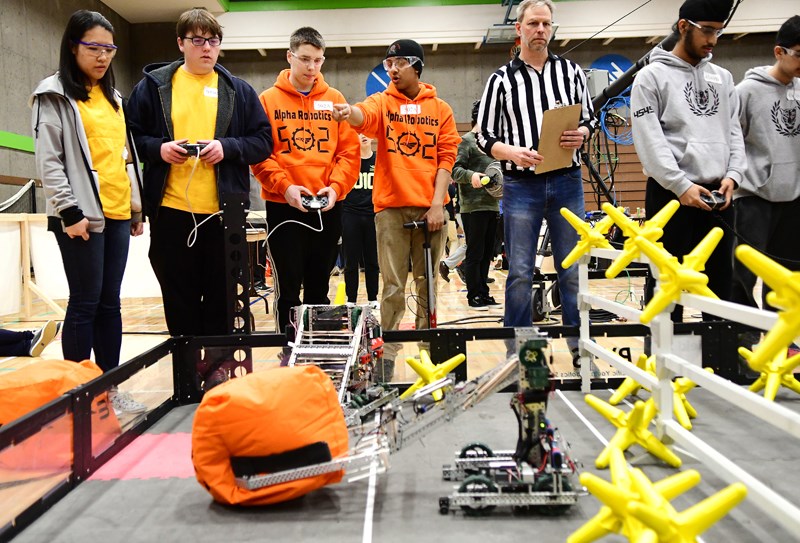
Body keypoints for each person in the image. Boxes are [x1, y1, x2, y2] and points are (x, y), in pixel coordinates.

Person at [127, 8, 272, 337]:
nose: (207, 47)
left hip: (224, 216)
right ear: (180, 43)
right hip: (171, 212)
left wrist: (228, 147)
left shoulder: (238, 90)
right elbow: (129, 135)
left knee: (222, 306)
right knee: (180, 306)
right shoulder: (153, 87)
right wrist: (158, 149)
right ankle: (187, 382)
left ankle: (217, 380)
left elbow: (263, 142)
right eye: (197, 40)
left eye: (213, 40)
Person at [332, 39, 460, 380]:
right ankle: (385, 357)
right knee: (391, 287)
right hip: (390, 209)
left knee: (427, 284)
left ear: (416, 66)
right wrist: (349, 113)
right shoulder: (383, 101)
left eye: (398, 63)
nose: (391, 69)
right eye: (388, 63)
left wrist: (437, 205)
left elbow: (447, 157)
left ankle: (428, 353)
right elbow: (365, 116)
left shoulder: (441, 109)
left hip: (430, 209)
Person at [475, 0, 596, 364]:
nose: (540, 29)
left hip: (566, 181)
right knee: (521, 272)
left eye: (546, 23)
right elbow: (484, 136)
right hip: (520, 185)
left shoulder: (571, 72)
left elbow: (589, 118)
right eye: (533, 23)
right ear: (519, 28)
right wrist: (510, 152)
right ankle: (522, 354)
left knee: (572, 269)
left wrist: (583, 134)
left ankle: (579, 349)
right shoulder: (500, 80)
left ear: (552, 28)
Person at [31, 11, 144, 379]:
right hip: (80, 216)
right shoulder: (54, 95)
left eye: (109, 49)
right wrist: (68, 211)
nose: (103, 57)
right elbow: (50, 161)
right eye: (93, 47)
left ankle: (110, 386)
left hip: (117, 213)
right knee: (85, 303)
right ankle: (77, 392)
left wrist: (135, 208)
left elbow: (124, 157)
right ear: (72, 46)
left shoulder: (113, 98)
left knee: (111, 304)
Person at [631, 0, 744, 323]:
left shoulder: (723, 78)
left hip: (718, 198)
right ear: (683, 27)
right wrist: (680, 185)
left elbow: (734, 131)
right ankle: (663, 368)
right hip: (671, 197)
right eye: (706, 31)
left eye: (718, 32)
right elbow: (650, 140)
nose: (712, 40)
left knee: (721, 289)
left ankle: (719, 369)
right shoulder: (651, 78)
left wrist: (733, 176)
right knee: (666, 290)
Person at [251, 27, 359, 332]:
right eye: (305, 59)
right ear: (290, 57)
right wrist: (285, 187)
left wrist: (336, 188)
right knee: (288, 290)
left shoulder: (335, 99)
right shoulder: (268, 100)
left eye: (318, 61)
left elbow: (349, 154)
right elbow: (260, 155)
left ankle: (317, 353)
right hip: (285, 206)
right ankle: (288, 353)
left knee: (318, 288)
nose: (312, 68)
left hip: (327, 206)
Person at [731, 16, 800, 331]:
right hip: (753, 197)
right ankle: (743, 342)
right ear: (778, 52)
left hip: (794, 197)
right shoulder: (746, 91)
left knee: (786, 278)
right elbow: (733, 140)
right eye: (799, 54)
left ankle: (782, 342)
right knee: (741, 275)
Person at [452, 99, 501, 310]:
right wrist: (472, 175)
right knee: (475, 252)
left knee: (488, 254)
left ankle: (484, 292)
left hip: (492, 205)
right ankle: (474, 295)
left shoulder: (495, 144)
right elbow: (455, 171)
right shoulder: (466, 141)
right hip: (473, 207)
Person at [341, 134, 380, 307]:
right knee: (351, 261)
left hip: (373, 215)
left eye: (366, 132)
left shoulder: (379, 161)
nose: (363, 136)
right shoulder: (349, 161)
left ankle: (373, 298)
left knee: (372, 260)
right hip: (351, 214)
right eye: (358, 133)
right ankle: (351, 299)